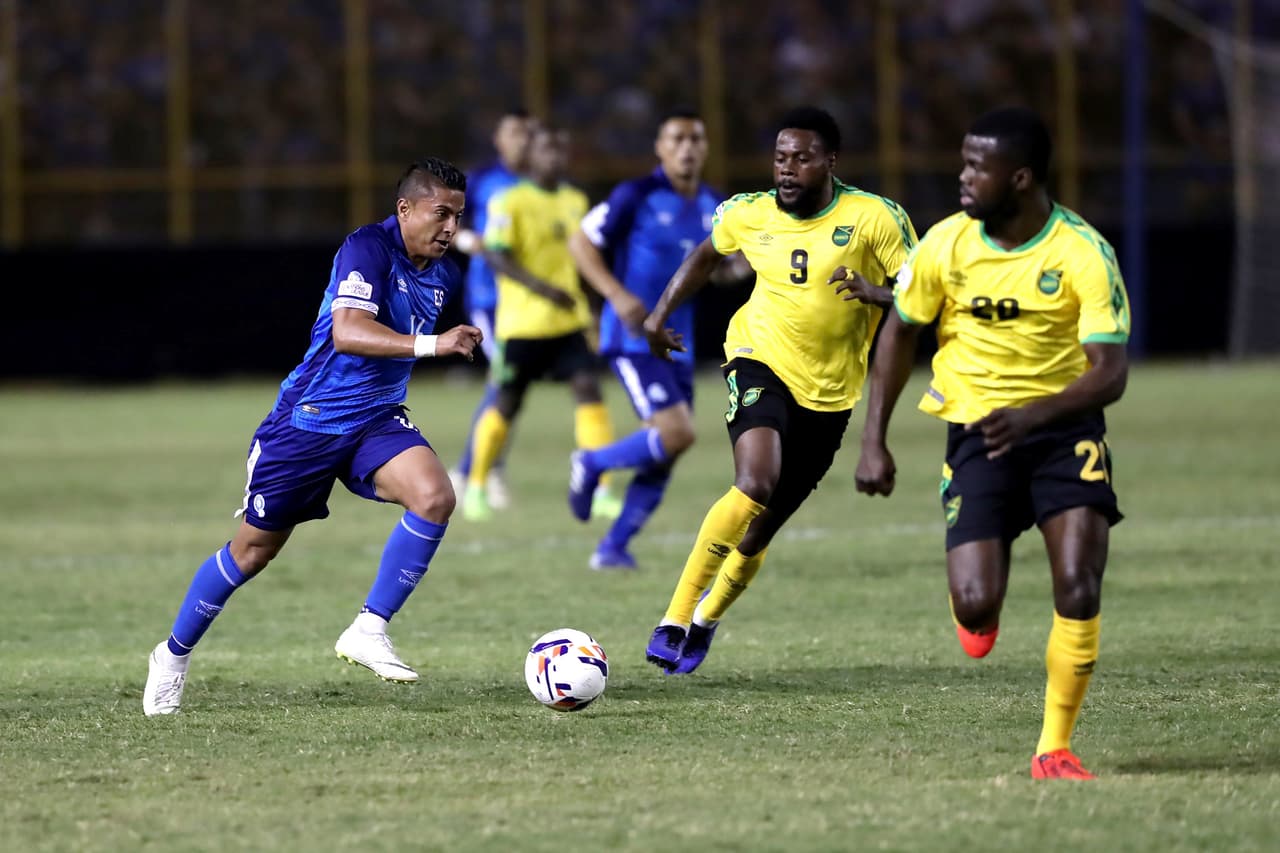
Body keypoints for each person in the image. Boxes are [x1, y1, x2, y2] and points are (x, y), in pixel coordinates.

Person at [142, 158, 483, 716]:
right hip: (308, 422)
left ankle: (368, 628)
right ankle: (172, 656)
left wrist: (448, 341)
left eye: (458, 216)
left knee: (436, 496)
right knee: (253, 553)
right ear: (405, 209)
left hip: (374, 418)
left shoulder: (445, 275)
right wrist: (433, 346)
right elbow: (349, 333)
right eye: (440, 213)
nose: (450, 227)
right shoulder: (366, 249)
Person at [854, 107, 1130, 780]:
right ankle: (975, 598)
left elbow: (1110, 373)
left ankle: (1053, 746)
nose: (963, 176)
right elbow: (899, 330)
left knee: (1078, 580)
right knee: (977, 608)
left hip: (1064, 432)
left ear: (1021, 177)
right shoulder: (945, 244)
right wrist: (874, 440)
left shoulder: (1082, 253)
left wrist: (1036, 415)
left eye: (978, 166)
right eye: (963, 161)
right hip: (977, 434)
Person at [641, 106, 918, 674]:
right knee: (754, 482)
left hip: (833, 391)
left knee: (763, 525)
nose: (787, 169)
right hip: (758, 358)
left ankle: (707, 619)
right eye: (780, 157)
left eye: (803, 158)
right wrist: (658, 315)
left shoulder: (876, 220)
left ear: (830, 162)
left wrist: (879, 294)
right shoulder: (748, 212)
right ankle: (673, 617)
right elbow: (704, 255)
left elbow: (929, 295)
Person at [566, 108, 744, 570]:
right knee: (677, 433)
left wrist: (738, 268)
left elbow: (717, 269)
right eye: (677, 139)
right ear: (660, 149)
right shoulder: (636, 195)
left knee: (669, 448)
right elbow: (580, 243)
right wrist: (617, 295)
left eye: (695, 139)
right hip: (632, 338)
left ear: (705, 148)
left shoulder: (715, 206)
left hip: (677, 340)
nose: (687, 147)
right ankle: (592, 462)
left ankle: (613, 547)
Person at [461, 125, 619, 522]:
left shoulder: (575, 199)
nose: (556, 157)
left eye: (562, 150)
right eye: (549, 149)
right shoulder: (508, 200)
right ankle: (476, 485)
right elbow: (495, 255)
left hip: (569, 320)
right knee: (508, 402)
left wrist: (596, 309)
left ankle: (601, 489)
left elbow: (587, 261)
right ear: (530, 156)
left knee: (590, 393)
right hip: (522, 323)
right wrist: (543, 289)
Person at [448, 109, 536, 510]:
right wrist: (468, 241)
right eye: (514, 132)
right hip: (489, 298)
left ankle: (480, 468)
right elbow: (446, 222)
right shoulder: (482, 180)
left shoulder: (541, 183)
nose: (523, 140)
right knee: (505, 381)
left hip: (528, 302)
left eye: (528, 133)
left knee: (512, 387)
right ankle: (475, 471)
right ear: (499, 140)